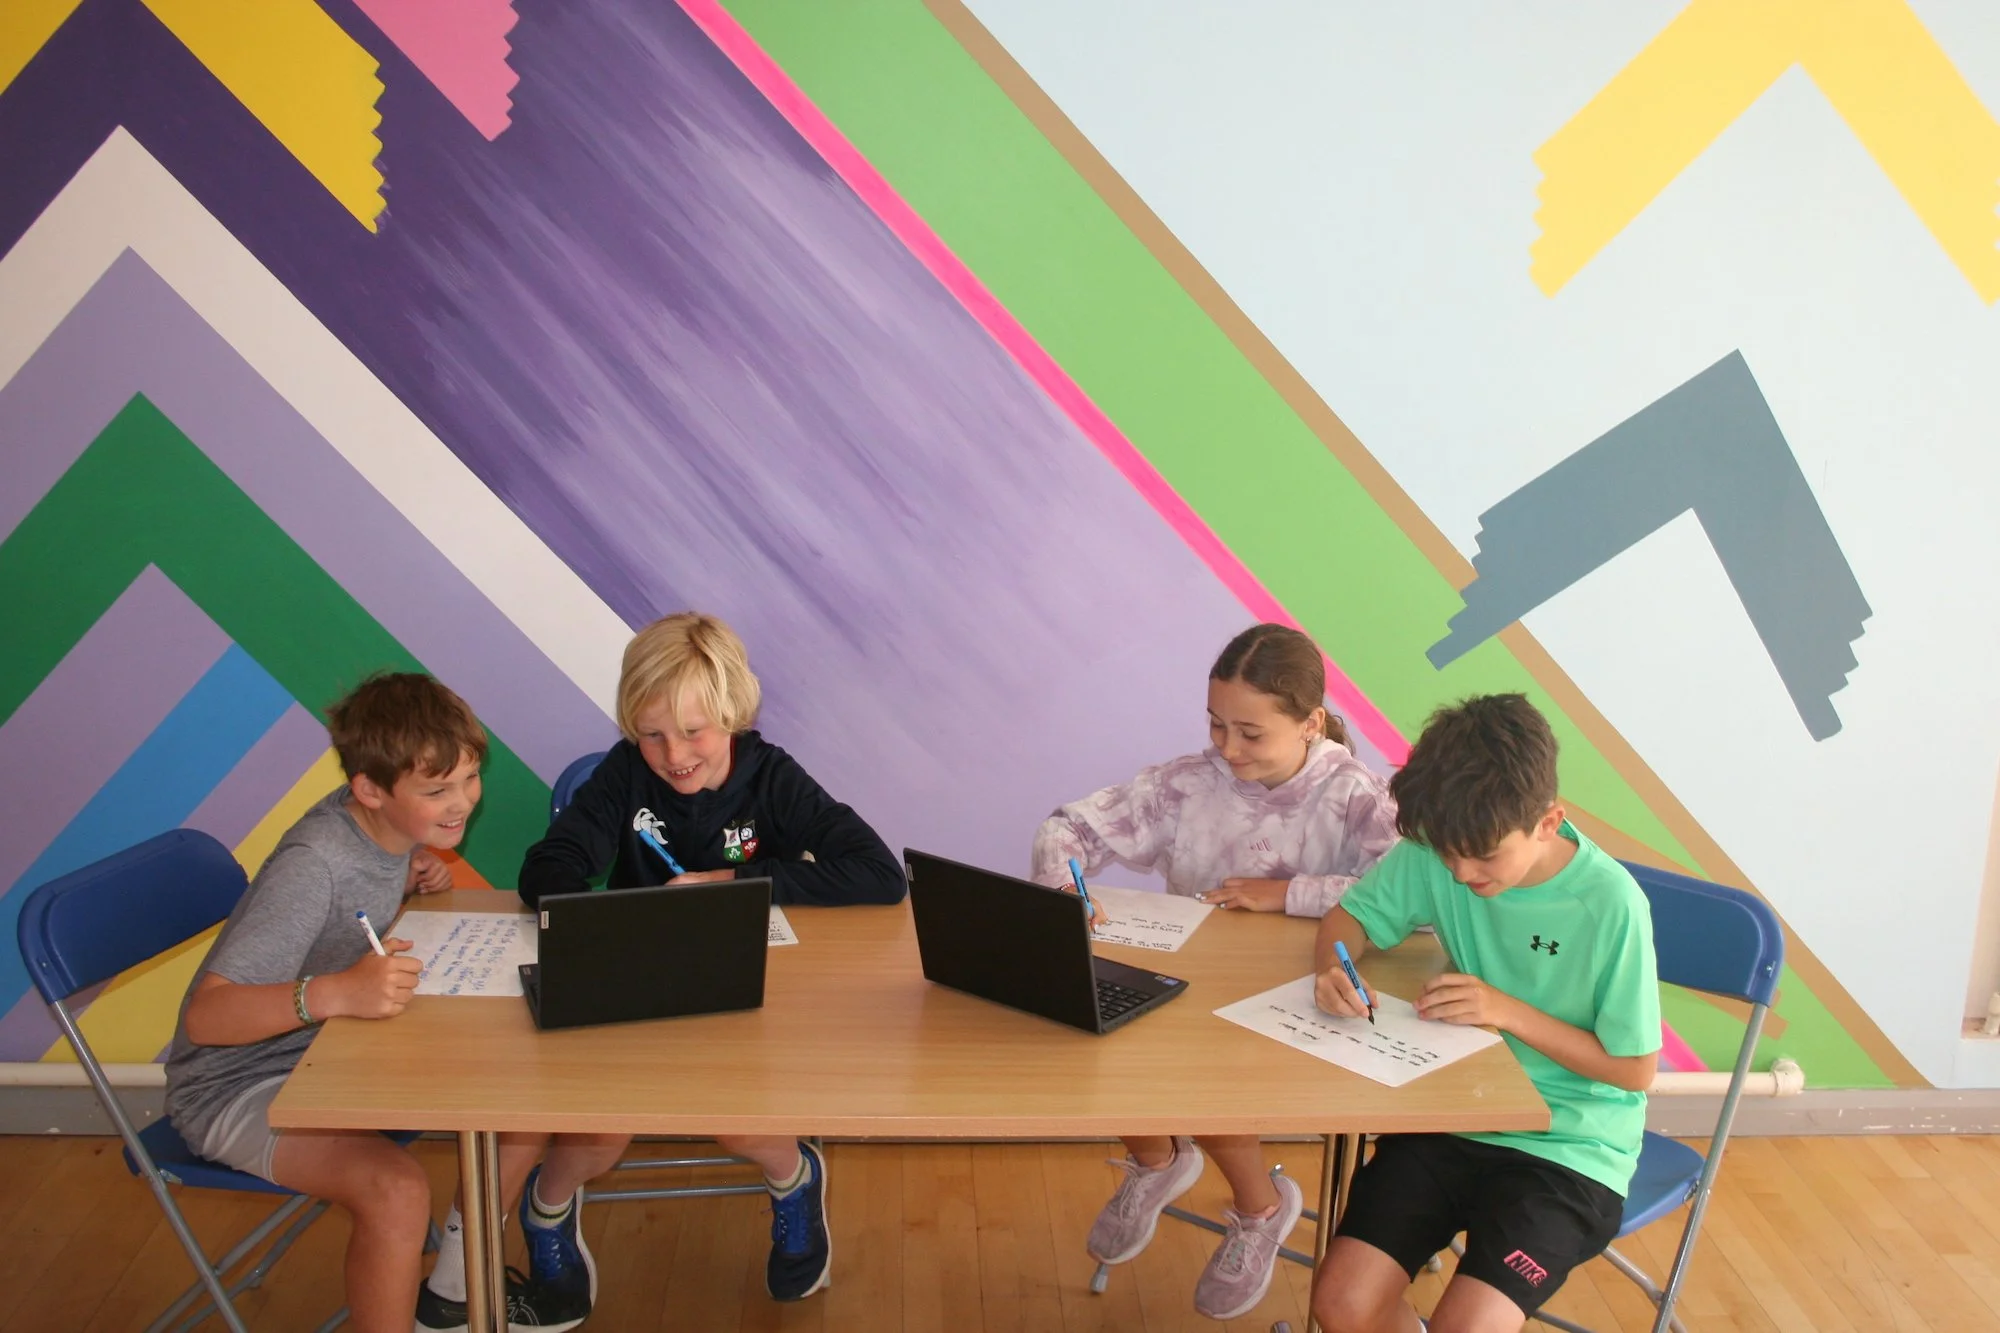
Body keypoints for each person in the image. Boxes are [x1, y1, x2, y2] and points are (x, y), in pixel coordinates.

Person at [417, 612, 905, 1329]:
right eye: (652, 735)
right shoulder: (623, 774)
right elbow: (547, 867)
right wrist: (604, 921)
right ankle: (547, 1209)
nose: (673, 755)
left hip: (744, 993)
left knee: (738, 1119)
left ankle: (795, 1178)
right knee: (597, 1131)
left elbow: (879, 874)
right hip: (637, 989)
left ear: (733, 715)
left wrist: (740, 882)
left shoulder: (771, 777)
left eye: (693, 731)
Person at [1031, 623, 1398, 1320]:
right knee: (1090, 1019)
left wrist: (1287, 893)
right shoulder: (1187, 784)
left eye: (1251, 733)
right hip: (1194, 989)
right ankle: (1158, 1159)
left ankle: (1260, 1208)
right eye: (1216, 725)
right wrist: (1063, 890)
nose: (1228, 748)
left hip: (1307, 998)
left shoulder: (1355, 795)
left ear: (1311, 723)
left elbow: (1409, 896)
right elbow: (1064, 829)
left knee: (1207, 1063)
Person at [1310, 694, 1660, 1333]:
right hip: (1452, 1114)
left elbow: (1635, 1070)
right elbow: (1349, 919)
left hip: (1569, 1147)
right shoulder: (1440, 845)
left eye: (1483, 856)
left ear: (1548, 822)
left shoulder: (1612, 904)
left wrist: (1507, 1012)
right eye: (1448, 854)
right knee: (1341, 1305)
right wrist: (1334, 968)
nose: (1461, 872)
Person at [165, 673, 481, 1333]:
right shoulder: (314, 865)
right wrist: (337, 991)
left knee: (500, 1082)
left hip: (328, 1053)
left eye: (469, 778)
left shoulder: (383, 827)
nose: (462, 802)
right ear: (370, 789)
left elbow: (354, 897)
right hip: (235, 1086)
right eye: (437, 791)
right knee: (397, 1190)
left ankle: (458, 1285)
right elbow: (207, 1017)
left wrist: (412, 867)